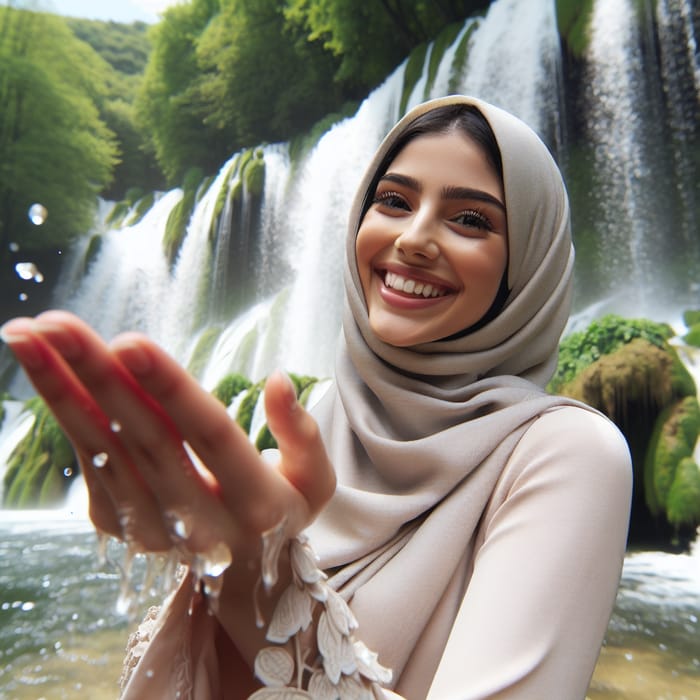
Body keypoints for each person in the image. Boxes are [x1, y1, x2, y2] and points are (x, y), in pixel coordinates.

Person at [0, 95, 633, 699]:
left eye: (470, 219)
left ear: (527, 263)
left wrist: (256, 581)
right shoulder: (319, 420)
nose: (414, 238)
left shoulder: (568, 455)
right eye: (392, 200)